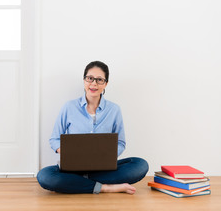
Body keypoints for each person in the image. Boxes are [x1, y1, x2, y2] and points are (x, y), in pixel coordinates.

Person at [37, 61, 149, 194]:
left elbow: (121, 142)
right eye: (90, 78)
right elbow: (54, 139)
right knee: (45, 176)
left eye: (99, 80)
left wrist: (106, 157)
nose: (94, 83)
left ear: (106, 83)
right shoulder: (69, 107)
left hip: (103, 169)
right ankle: (105, 187)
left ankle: (77, 183)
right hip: (73, 168)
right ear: (84, 80)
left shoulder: (114, 110)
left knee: (140, 165)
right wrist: (69, 153)